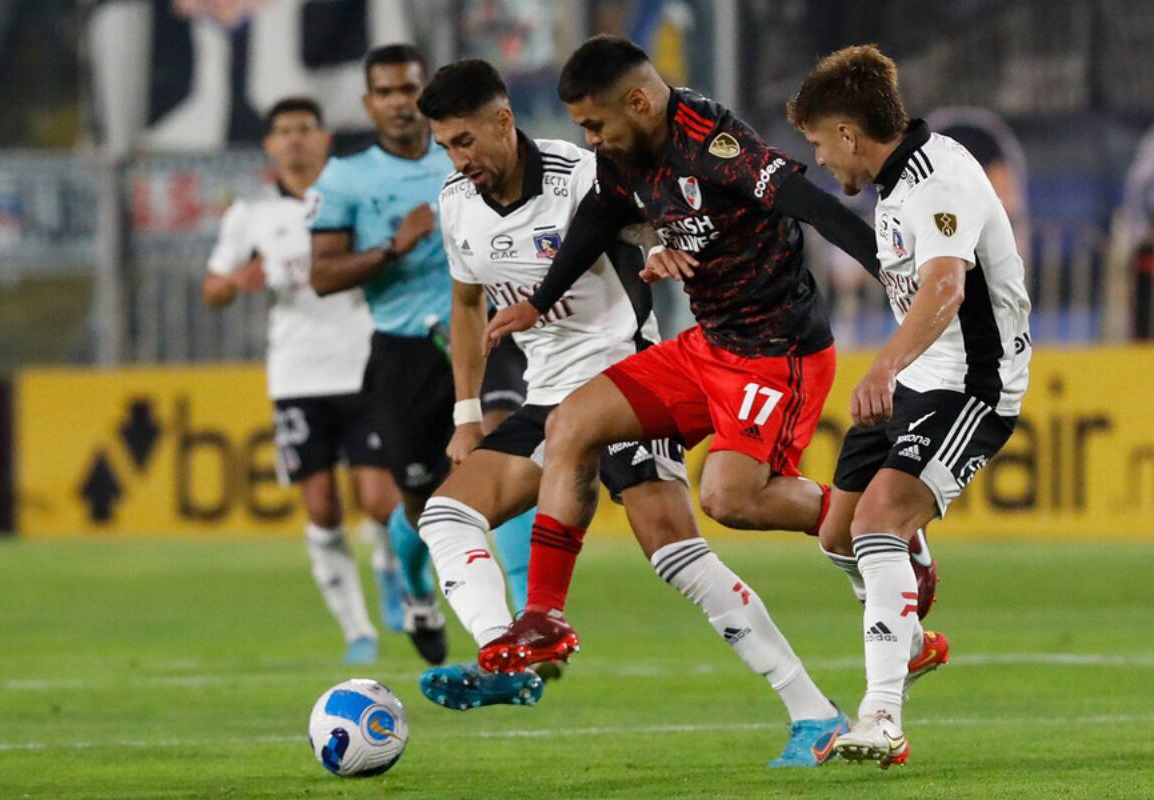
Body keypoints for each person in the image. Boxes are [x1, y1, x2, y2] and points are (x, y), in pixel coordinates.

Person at [411, 58, 853, 766]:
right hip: (547, 395)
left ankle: (814, 709)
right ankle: (506, 655)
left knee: (678, 552)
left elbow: (668, 212)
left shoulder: (583, 170)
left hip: (621, 372)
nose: (458, 160)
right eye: (444, 147)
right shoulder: (457, 202)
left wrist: (664, 247)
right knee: (445, 515)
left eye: (464, 141)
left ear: (503, 121)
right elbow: (466, 305)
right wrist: (467, 412)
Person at [479, 34, 934, 692]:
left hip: (776, 353)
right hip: (709, 345)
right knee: (570, 424)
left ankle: (884, 530)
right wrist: (538, 302)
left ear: (639, 102)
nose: (589, 139)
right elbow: (602, 213)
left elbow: (815, 208)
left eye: (594, 125)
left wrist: (893, 277)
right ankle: (544, 616)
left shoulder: (716, 144)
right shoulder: (624, 152)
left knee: (729, 498)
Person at [787, 44, 1031, 767]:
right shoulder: (894, 185)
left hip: (973, 383)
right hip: (920, 376)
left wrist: (884, 365)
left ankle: (881, 718)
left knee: (877, 523)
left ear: (849, 133)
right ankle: (914, 641)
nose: (821, 158)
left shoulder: (939, 178)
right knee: (838, 534)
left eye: (819, 143)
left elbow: (946, 287)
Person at [306, 44, 534, 664]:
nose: (399, 103)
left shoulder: (467, 155)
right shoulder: (347, 178)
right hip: (403, 352)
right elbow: (322, 275)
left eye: (408, 89)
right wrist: (392, 249)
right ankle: (414, 585)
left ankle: (525, 612)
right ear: (368, 104)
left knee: (505, 447)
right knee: (420, 500)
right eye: (385, 92)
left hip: (487, 333)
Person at [203, 96, 405, 664]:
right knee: (321, 508)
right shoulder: (250, 215)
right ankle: (357, 631)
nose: (294, 138)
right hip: (297, 375)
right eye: (284, 130)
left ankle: (390, 567)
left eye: (305, 128)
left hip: (364, 364)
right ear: (271, 145)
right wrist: (236, 282)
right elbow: (213, 288)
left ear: (323, 139)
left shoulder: (353, 200)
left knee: (381, 501)